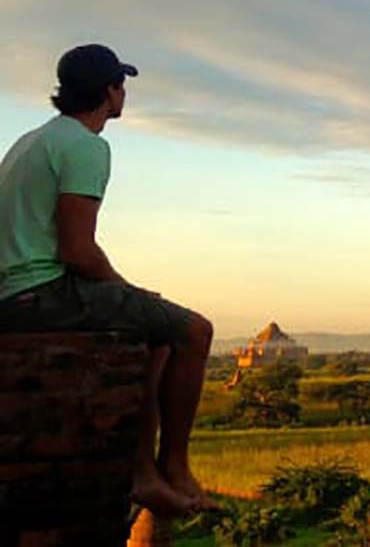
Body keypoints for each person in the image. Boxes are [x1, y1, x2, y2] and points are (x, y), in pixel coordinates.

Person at [0, 44, 217, 517]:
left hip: (13, 290)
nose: (124, 93)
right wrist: (125, 290)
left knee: (158, 336)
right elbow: (77, 251)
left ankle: (142, 471)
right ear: (108, 92)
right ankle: (173, 466)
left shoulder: (33, 140)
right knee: (195, 331)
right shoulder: (86, 145)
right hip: (38, 293)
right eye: (121, 84)